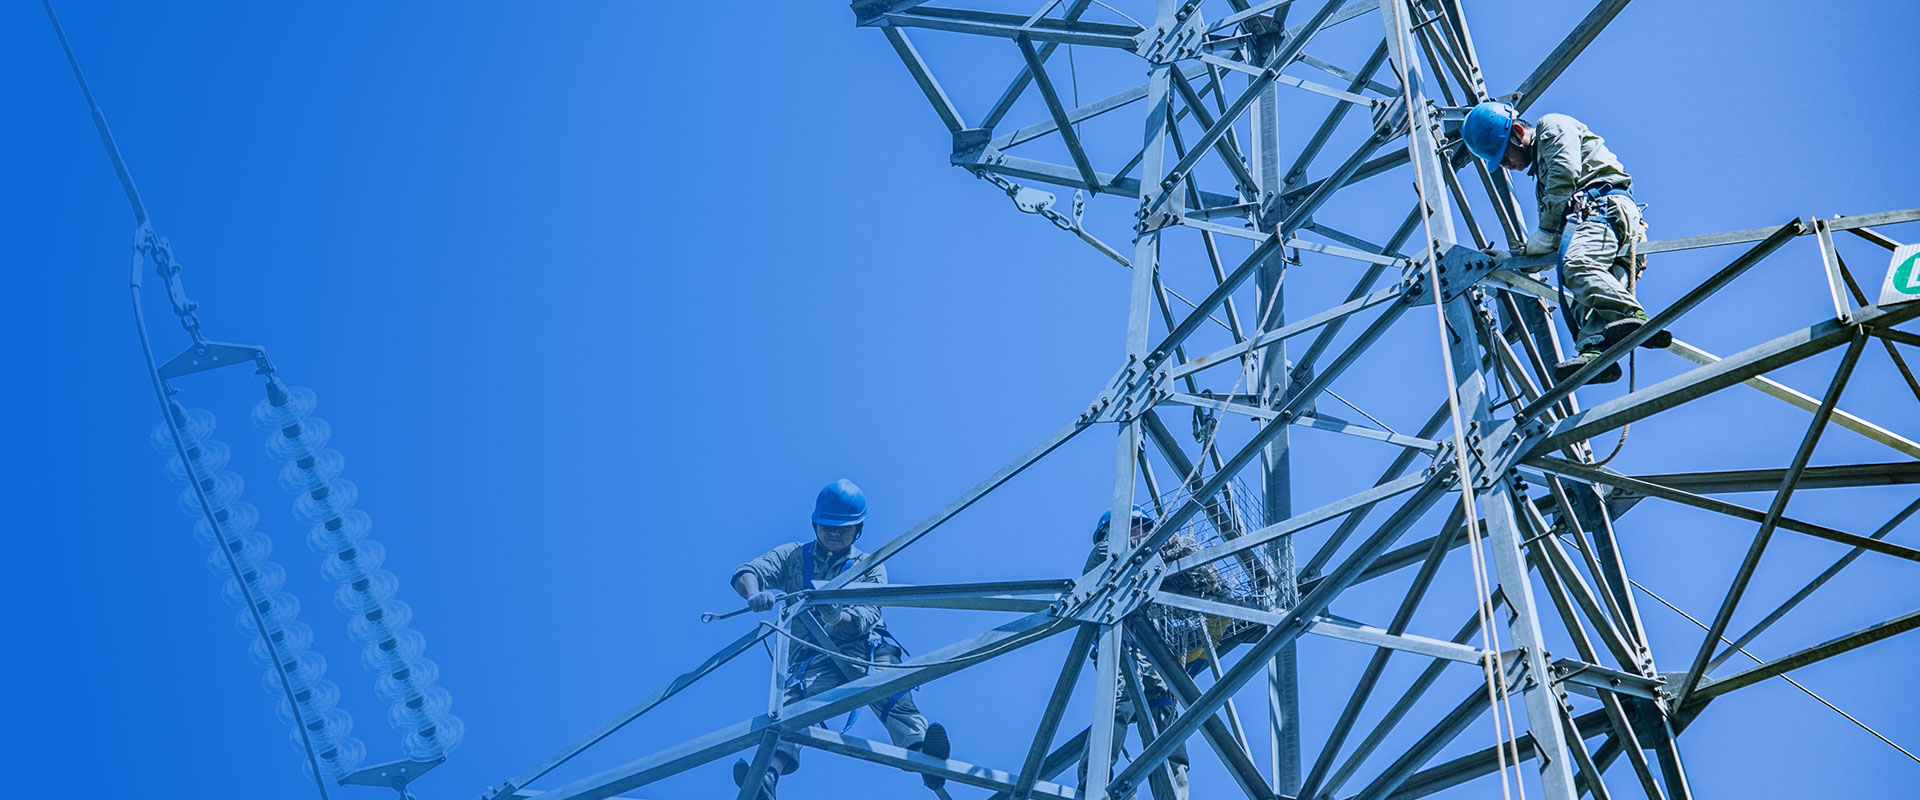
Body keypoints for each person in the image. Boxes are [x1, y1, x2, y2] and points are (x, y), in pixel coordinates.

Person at [728, 478, 950, 799]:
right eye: (827, 526)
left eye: (842, 529)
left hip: (866, 647)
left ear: (857, 530)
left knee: (893, 695)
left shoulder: (869, 567)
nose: (833, 534)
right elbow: (748, 571)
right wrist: (755, 594)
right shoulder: (794, 556)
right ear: (815, 523)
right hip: (814, 656)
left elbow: (867, 616)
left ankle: (925, 758)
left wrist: (837, 616)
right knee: (794, 707)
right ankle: (767, 777)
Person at [1462, 101, 1671, 385]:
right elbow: (1554, 239)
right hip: (1597, 227)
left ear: (1516, 133)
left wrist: (1546, 231)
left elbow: (1563, 176)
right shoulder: (1542, 183)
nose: (1505, 165)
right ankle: (1594, 354)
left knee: (1578, 265)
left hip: (1605, 211)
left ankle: (1631, 316)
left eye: (1503, 155)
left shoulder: (1552, 126)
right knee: (1582, 289)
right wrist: (1510, 260)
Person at [1078, 504, 1209, 800]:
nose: (1149, 535)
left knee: (1165, 721)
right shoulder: (1105, 552)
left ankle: (1173, 794)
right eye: (1143, 528)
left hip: (1152, 656)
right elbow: (1115, 565)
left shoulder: (1149, 568)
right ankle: (1095, 786)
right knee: (1118, 707)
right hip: (1120, 648)